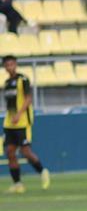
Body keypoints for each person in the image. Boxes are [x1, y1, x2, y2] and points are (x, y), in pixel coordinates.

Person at [3, 56, 49, 194]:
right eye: (7, 65)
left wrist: (19, 114)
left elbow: (28, 98)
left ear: (15, 65)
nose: (9, 67)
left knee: (25, 152)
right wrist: (12, 116)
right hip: (10, 123)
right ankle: (18, 184)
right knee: (10, 152)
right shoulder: (7, 82)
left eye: (12, 64)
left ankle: (42, 171)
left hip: (22, 121)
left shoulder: (22, 80)